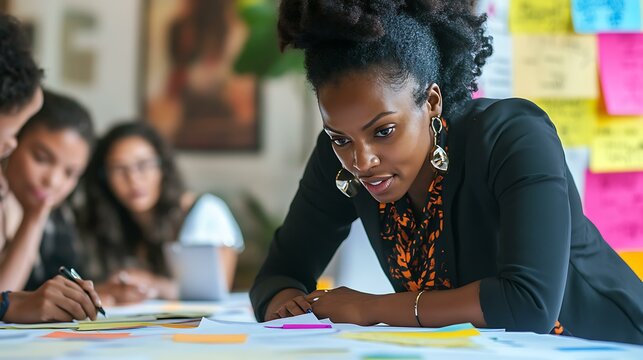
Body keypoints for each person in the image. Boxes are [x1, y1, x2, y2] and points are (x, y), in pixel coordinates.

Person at [249, 0, 643, 345]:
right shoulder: (342, 154)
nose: (362, 160)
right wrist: (290, 308)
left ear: (431, 101)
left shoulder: (514, 138)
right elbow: (279, 275)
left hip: (611, 346)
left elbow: (528, 306)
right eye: (340, 138)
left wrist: (370, 308)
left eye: (383, 131)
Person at [0, 13, 101, 323]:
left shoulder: (60, 217)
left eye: (71, 173)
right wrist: (9, 306)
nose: (9, 146)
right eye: (11, 133)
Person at [83, 121, 244, 304]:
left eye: (143, 164)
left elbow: (212, 292)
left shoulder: (205, 211)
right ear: (104, 177)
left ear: (163, 167)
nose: (133, 179)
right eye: (119, 168)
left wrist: (151, 283)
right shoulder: (106, 221)